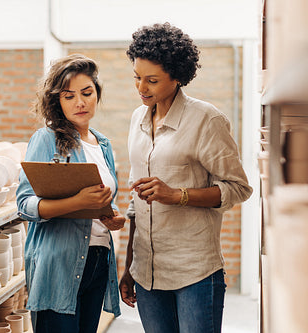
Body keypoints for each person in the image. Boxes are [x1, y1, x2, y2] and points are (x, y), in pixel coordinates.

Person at [119, 23, 253, 333]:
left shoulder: (207, 120)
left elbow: (238, 188)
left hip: (195, 272)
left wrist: (176, 195)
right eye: (137, 78)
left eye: (152, 80)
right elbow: (134, 202)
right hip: (147, 273)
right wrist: (128, 268)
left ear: (178, 76)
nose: (141, 88)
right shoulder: (137, 118)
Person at [16, 54, 125, 333]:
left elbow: (101, 204)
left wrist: (110, 217)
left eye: (87, 93)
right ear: (57, 101)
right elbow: (25, 204)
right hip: (59, 264)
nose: (80, 102)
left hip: (98, 261)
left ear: (97, 94)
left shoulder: (103, 145)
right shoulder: (47, 139)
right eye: (69, 96)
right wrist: (76, 202)